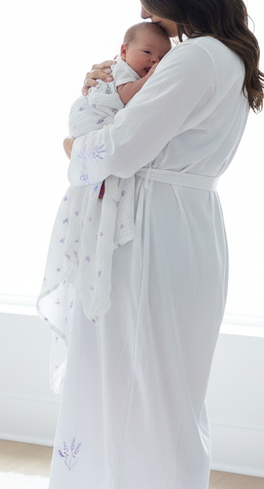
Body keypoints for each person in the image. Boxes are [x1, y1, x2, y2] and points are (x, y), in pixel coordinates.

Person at [44, 0, 264, 489]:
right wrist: (113, 94)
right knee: (169, 385)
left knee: (165, 389)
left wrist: (76, 140)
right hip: (177, 225)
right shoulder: (221, 55)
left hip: (157, 233)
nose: (146, 11)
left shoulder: (195, 58)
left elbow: (120, 149)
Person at [37, 22, 171, 349]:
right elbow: (125, 96)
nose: (154, 61)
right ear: (124, 51)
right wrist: (151, 79)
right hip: (91, 124)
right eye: (147, 53)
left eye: (161, 57)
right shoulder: (120, 73)